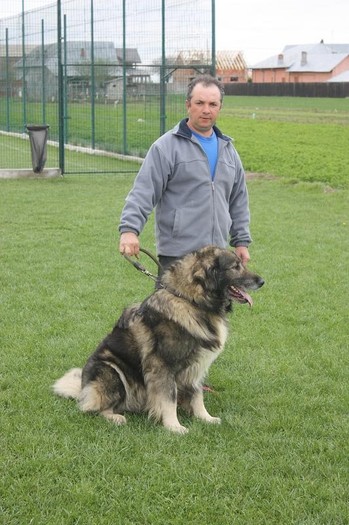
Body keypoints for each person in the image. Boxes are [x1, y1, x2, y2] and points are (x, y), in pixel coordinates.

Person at [119, 74, 251, 274]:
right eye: (200, 103)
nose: (206, 110)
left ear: (220, 108)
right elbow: (144, 192)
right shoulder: (166, 147)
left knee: (212, 307)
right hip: (178, 255)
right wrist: (129, 230)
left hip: (217, 257)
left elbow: (238, 200)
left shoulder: (229, 151)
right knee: (171, 306)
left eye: (213, 104)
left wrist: (241, 242)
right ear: (188, 104)